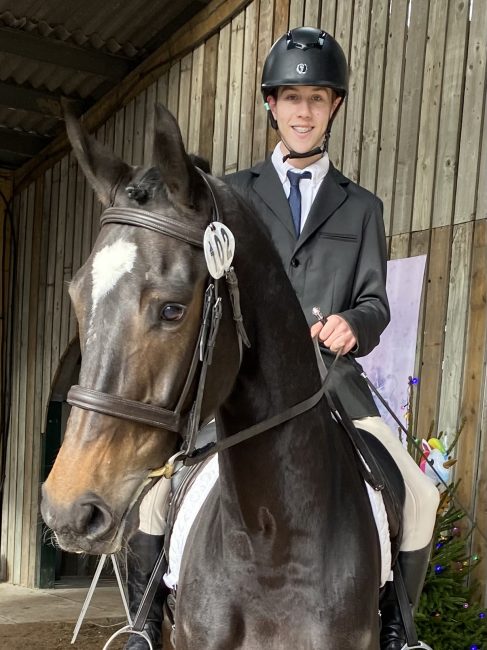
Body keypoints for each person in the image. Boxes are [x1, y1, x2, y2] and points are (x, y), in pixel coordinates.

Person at [224, 26, 440, 650]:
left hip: (334, 385)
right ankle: (142, 621)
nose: (303, 112)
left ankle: (398, 627)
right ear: (271, 104)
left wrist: (355, 323)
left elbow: (375, 301)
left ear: (334, 107)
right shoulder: (235, 195)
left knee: (420, 495)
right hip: (246, 387)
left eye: (317, 98)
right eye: (291, 98)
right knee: (159, 493)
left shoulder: (361, 207)